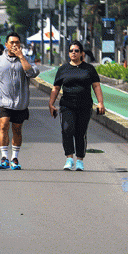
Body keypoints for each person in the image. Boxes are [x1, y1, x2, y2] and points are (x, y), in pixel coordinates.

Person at [0, 32, 40, 170]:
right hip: (3, 101)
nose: (14, 45)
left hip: (20, 102)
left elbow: (32, 73)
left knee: (17, 129)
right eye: (12, 42)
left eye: (17, 42)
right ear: (6, 45)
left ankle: (14, 158)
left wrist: (21, 57)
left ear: (20, 44)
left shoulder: (25, 59)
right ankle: (4, 158)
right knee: (3, 126)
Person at [49, 41, 105, 171]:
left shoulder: (89, 69)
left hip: (84, 105)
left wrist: (100, 102)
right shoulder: (63, 69)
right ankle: (69, 158)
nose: (73, 53)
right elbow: (56, 87)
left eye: (76, 50)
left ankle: (80, 159)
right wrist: (51, 103)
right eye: (71, 50)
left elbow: (96, 85)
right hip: (67, 105)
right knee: (67, 129)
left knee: (80, 132)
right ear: (68, 53)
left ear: (81, 53)